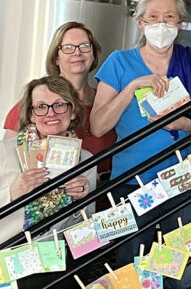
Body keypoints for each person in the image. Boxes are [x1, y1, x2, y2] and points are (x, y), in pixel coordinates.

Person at [90, 0, 191, 289]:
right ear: (140, 22)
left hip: (182, 177)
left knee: (183, 272)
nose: (162, 24)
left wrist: (185, 123)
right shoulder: (120, 62)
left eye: (170, 17)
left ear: (179, 24)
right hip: (132, 179)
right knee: (131, 267)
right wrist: (132, 86)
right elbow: (97, 126)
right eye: (154, 17)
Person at [0, 76, 96, 289]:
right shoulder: (4, 152)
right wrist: (12, 194)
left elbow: (84, 232)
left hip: (53, 257)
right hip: (7, 255)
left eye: (60, 105)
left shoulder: (86, 160)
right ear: (31, 115)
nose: (51, 113)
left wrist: (79, 202)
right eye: (41, 107)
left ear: (72, 112)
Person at [3, 22, 116, 175]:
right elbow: (7, 162)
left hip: (106, 191)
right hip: (49, 193)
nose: (77, 53)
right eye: (68, 48)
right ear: (56, 58)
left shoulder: (108, 101)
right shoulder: (35, 102)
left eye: (84, 46)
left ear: (93, 54)